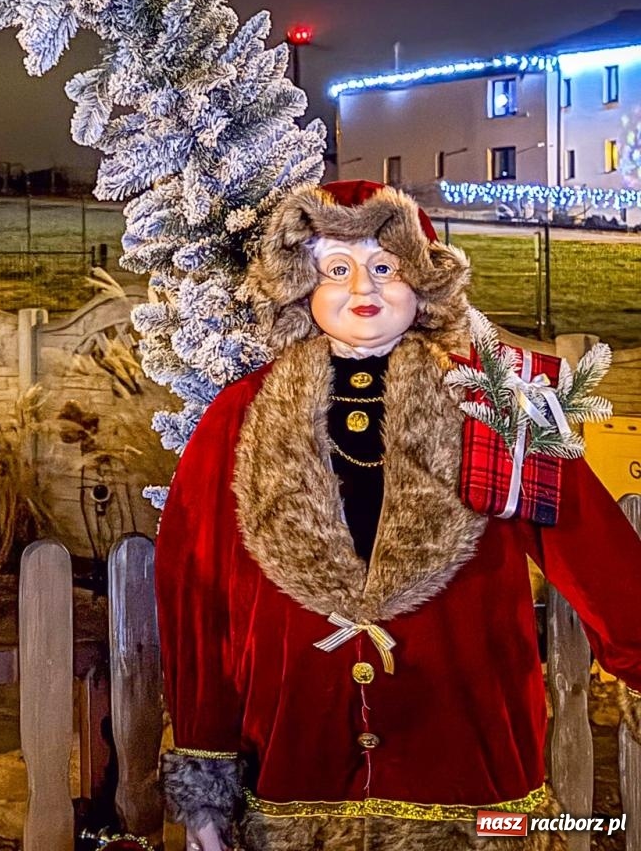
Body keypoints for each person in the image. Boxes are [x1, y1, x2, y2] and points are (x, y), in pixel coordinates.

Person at [156, 179, 641, 851]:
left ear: (422, 282)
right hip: (298, 758)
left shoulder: (496, 403)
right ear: (302, 285)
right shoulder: (240, 417)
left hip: (469, 752)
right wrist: (205, 772)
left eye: (385, 267)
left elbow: (590, 544)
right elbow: (197, 591)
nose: (364, 287)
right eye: (337, 269)